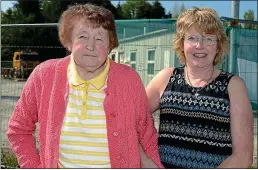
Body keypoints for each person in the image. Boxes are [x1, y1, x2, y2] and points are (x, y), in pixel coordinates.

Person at [6, 4, 163, 168]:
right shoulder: (44, 75)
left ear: (110, 45)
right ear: (68, 41)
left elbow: (147, 135)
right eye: (82, 36)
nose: (91, 45)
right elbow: (18, 129)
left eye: (100, 38)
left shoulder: (129, 79)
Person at [145, 7, 253, 168]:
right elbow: (130, 121)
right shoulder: (165, 78)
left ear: (218, 46)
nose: (199, 45)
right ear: (181, 44)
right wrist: (147, 162)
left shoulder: (233, 86)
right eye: (192, 38)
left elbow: (243, 156)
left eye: (208, 39)